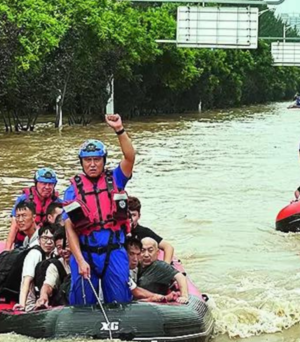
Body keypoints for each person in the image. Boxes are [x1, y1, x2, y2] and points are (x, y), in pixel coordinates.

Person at [63, 114, 135, 305]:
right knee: (81, 302)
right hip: (85, 252)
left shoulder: (116, 179)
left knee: (120, 301)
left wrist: (119, 129)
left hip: (114, 251)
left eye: (97, 159)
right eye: (88, 160)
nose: (92, 164)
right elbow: (70, 228)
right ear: (82, 163)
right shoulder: (72, 190)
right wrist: (79, 260)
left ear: (103, 161)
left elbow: (130, 156)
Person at [6, 168, 61, 250]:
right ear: (36, 184)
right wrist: (7, 250)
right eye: (43, 183)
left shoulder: (58, 203)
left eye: (50, 184)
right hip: (22, 242)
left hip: (47, 243)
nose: (47, 187)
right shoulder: (23, 199)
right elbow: (14, 227)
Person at [14, 225, 55, 311]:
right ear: (39, 240)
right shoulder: (35, 254)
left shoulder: (54, 255)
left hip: (46, 303)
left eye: (52, 239)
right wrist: (22, 305)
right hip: (31, 306)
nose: (49, 242)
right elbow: (27, 280)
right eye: (45, 238)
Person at [137, 238, 189, 304]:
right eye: (142, 250)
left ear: (157, 252)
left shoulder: (160, 266)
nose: (146, 255)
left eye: (150, 251)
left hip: (154, 304)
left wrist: (184, 296)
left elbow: (180, 277)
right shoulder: (135, 265)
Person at [126, 238, 176, 302]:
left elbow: (136, 291)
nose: (135, 259)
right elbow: (136, 292)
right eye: (131, 254)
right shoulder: (123, 271)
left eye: (138, 254)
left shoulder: (160, 266)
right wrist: (161, 297)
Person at [128, 196, 174, 264]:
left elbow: (168, 247)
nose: (130, 219)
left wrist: (166, 267)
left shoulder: (144, 232)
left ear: (139, 216)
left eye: (133, 215)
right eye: (128, 215)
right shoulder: (116, 233)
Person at [34, 227, 71, 309]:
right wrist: (43, 296)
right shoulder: (56, 265)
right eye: (59, 247)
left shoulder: (86, 261)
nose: (64, 251)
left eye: (67, 245)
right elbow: (48, 285)